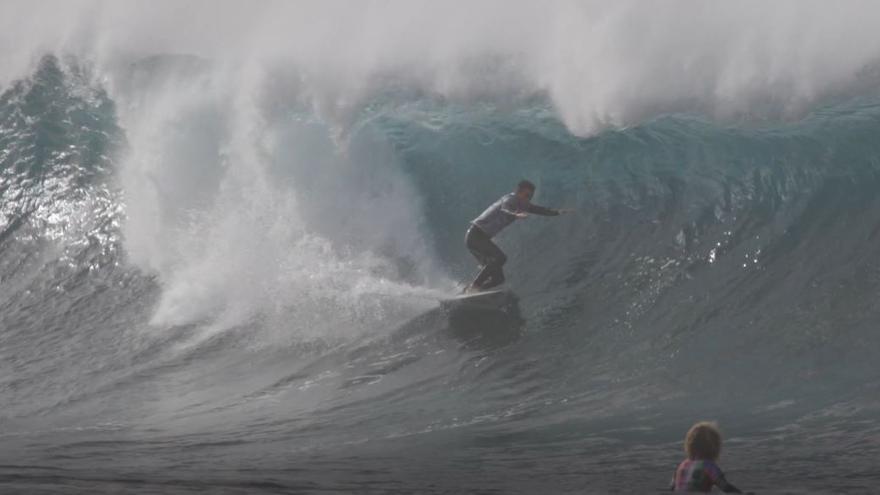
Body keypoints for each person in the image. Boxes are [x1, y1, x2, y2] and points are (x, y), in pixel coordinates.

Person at [464, 180, 570, 293]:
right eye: (527, 195)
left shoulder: (523, 204)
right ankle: (473, 287)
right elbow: (505, 209)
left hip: (480, 239)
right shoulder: (510, 199)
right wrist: (515, 214)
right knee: (500, 258)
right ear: (518, 192)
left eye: (530, 196)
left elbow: (540, 210)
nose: (528, 198)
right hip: (475, 235)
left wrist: (558, 212)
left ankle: (471, 291)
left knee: (498, 279)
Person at [671, 422, 743, 493]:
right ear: (714, 446)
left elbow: (672, 487)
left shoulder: (681, 465)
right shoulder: (709, 466)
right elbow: (725, 487)